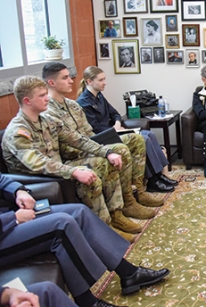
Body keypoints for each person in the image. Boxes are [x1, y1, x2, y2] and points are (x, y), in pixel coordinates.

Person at [1, 76, 142, 242]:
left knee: (105, 162)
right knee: (89, 176)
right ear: (27, 100)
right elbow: (39, 163)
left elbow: (78, 140)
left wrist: (107, 152)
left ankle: (116, 214)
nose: (47, 98)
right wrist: (74, 171)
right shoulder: (17, 132)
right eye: (41, 96)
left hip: (59, 169)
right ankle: (103, 230)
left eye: (46, 94)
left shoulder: (47, 120)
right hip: (38, 180)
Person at [0, 172, 170, 307]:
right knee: (62, 224)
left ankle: (129, 273)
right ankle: (87, 302)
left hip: (8, 216)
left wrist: (18, 191)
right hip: (5, 228)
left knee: (79, 212)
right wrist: (14, 219)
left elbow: (2, 179)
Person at [43, 63, 162, 224]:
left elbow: (89, 133)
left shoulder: (72, 105)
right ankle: (121, 208)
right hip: (74, 154)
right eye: (65, 78)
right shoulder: (48, 111)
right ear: (51, 83)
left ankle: (135, 194)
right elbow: (69, 143)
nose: (71, 81)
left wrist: (104, 143)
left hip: (91, 144)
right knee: (121, 149)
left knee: (137, 139)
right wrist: (104, 149)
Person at [76, 66, 177, 194]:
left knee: (150, 134)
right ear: (89, 81)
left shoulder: (99, 96)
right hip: (104, 138)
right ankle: (153, 180)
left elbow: (115, 113)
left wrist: (117, 124)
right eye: (101, 80)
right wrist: (114, 130)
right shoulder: (83, 103)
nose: (105, 82)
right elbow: (95, 128)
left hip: (114, 131)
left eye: (104, 79)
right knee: (143, 139)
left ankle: (159, 175)